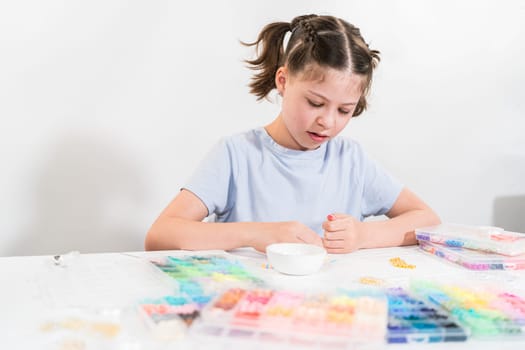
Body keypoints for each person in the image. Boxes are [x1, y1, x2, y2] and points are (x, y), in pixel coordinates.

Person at [145, 14, 440, 254]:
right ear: (283, 81)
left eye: (344, 110)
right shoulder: (236, 154)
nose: (327, 122)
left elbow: (427, 220)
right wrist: (255, 233)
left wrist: (363, 235)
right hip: (250, 309)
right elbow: (160, 235)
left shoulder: (351, 160)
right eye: (315, 103)